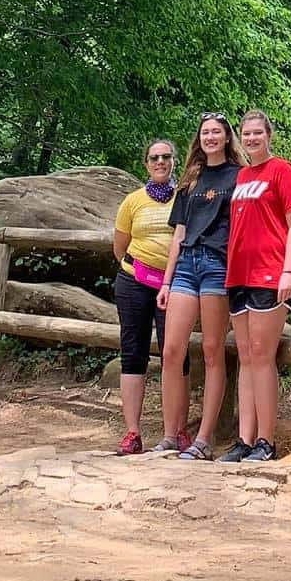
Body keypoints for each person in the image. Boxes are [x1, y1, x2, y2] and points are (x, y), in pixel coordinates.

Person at [220, 108, 291, 465]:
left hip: (270, 274)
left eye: (258, 132)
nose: (252, 138)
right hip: (238, 274)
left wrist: (288, 271)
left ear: (268, 135)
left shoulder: (281, 170)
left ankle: (266, 441)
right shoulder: (241, 176)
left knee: (261, 355)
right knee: (245, 357)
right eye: (246, 133)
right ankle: (244, 438)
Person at [153, 112, 240, 459]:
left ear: (226, 137)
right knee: (172, 350)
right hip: (187, 264)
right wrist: (167, 280)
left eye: (216, 132)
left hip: (217, 265)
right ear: (199, 138)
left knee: (212, 351)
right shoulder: (191, 177)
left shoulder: (238, 177)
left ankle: (204, 439)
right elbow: (179, 232)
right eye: (205, 132)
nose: (210, 137)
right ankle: (171, 434)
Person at [111, 138, 180, 455]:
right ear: (146, 163)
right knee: (133, 351)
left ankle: (175, 431)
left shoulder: (185, 197)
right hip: (134, 281)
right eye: (154, 157)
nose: (160, 162)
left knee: (176, 355)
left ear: (174, 161)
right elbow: (119, 246)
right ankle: (133, 432)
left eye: (166, 157)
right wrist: (140, 270)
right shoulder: (132, 201)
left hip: (176, 283)